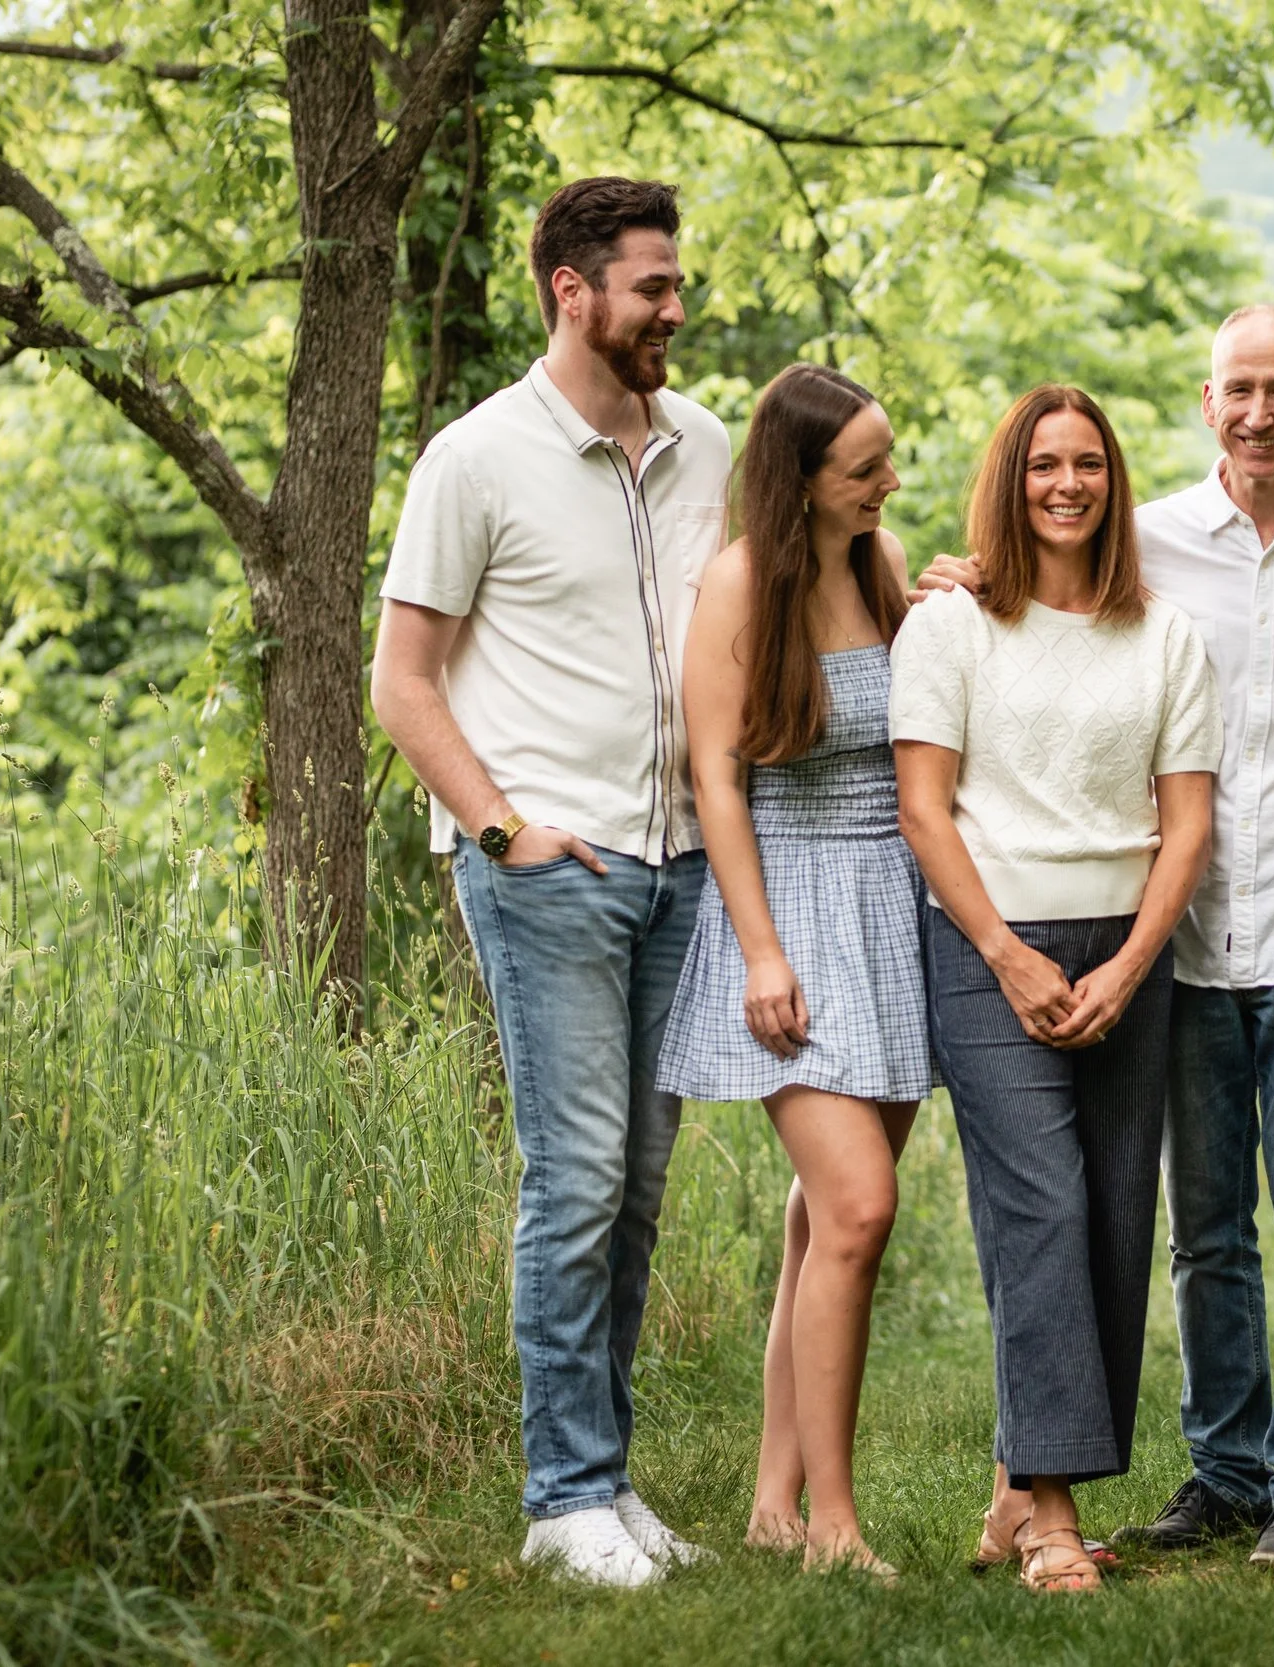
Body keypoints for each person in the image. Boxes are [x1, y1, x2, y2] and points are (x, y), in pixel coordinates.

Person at [917, 305, 1274, 1573]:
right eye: (1236, 388)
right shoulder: (1140, 541)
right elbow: (1036, 590)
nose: (1258, 411)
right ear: (1208, 404)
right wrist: (955, 578)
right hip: (1179, 941)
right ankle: (1224, 1468)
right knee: (1203, 1227)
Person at [371, 177, 727, 1588]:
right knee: (574, 1175)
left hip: (682, 866)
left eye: (676, 282)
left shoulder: (703, 444)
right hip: (551, 872)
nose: (675, 308)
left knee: (633, 1185)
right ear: (572, 291)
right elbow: (403, 680)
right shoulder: (475, 458)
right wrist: (500, 825)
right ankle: (561, 1493)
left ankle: (608, 1481)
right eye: (652, 287)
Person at [891, 385, 1219, 1593]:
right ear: (1009, 480)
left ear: (1112, 482)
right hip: (988, 946)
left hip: (1129, 946)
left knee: (1117, 1214)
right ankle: (1055, 1520)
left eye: (1087, 464)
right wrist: (1006, 952)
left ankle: (1014, 1488)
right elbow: (923, 806)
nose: (1066, 484)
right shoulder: (952, 625)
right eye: (1042, 464)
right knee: (1041, 1208)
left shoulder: (1166, 633)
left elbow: (1188, 823)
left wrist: (1129, 963)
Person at [654, 364, 925, 1582]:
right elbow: (717, 776)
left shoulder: (881, 563)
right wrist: (762, 948)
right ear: (800, 477)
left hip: (891, 910)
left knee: (825, 1217)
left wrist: (956, 597)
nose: (888, 482)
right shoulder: (739, 582)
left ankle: (772, 1502)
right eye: (864, 468)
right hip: (791, 909)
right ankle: (833, 1524)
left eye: (886, 459)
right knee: (860, 1207)